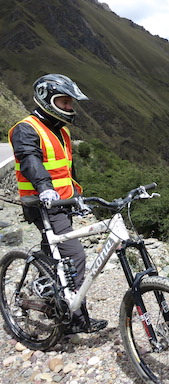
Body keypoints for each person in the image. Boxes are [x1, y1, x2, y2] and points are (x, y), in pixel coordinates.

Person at [8, 73, 107, 334]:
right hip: (41, 203)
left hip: (62, 202)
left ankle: (48, 293)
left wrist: (78, 196)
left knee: (54, 254)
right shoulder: (26, 128)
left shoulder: (61, 131)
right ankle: (75, 321)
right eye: (65, 102)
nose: (70, 108)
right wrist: (44, 188)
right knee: (74, 255)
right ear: (47, 100)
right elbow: (30, 160)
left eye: (70, 103)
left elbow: (65, 169)